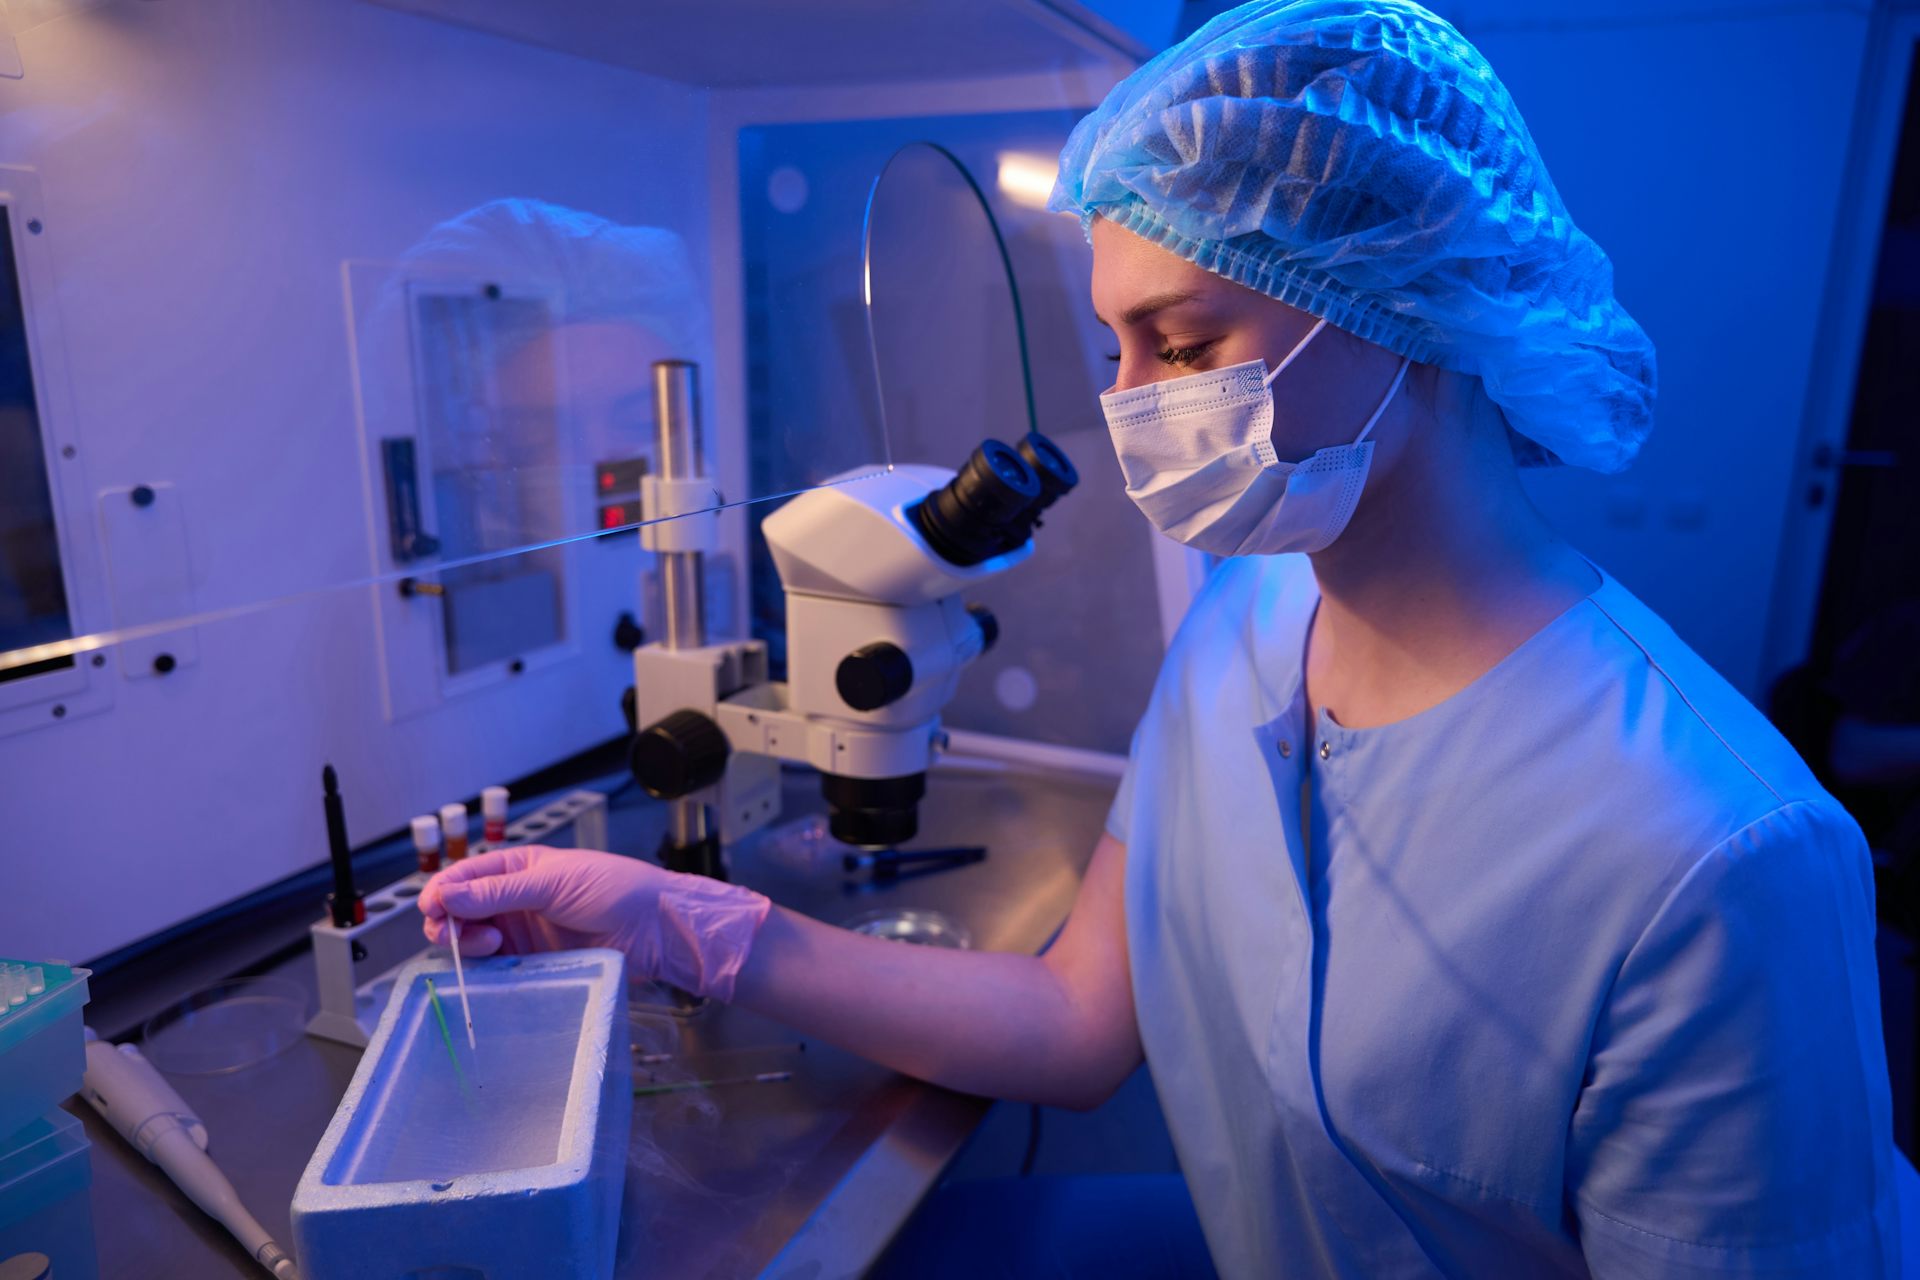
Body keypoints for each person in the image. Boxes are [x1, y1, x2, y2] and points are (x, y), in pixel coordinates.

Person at [419, 2, 1899, 1273]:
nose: (1130, 409)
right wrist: (684, 926)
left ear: (1395, 302)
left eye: (1181, 347)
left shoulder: (1720, 860)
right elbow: (1072, 1024)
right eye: (1116, 346)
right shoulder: (1247, 629)